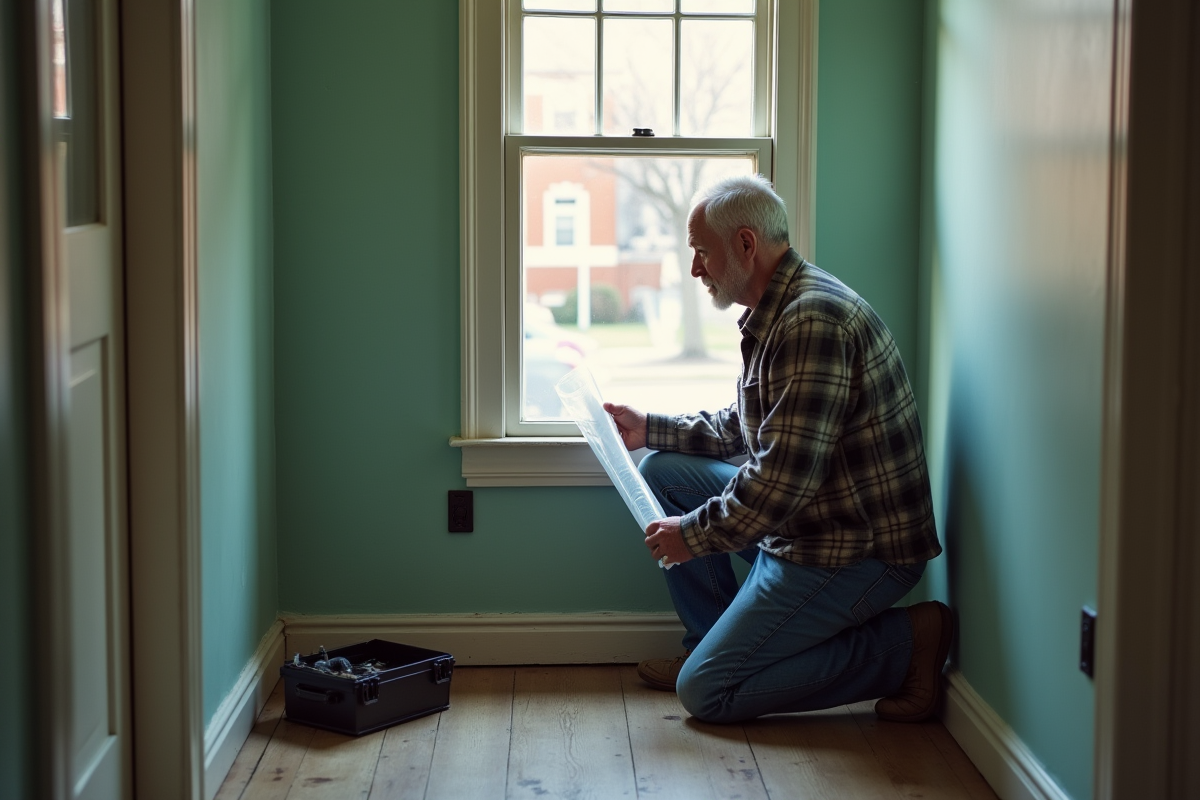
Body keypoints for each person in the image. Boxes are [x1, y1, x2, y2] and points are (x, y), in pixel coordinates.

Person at [603, 174, 949, 724]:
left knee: (705, 694)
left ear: (745, 244)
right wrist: (650, 428)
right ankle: (712, 647)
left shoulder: (812, 320)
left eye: (701, 252)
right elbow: (747, 430)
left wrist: (691, 536)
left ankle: (904, 645)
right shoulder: (780, 309)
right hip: (812, 523)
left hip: (856, 550)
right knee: (664, 471)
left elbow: (778, 482)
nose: (695, 269)